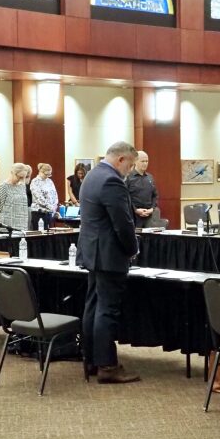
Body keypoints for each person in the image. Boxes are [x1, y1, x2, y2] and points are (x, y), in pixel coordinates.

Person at [77, 141, 141, 384]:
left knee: (93, 306)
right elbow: (123, 223)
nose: (131, 170)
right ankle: (107, 366)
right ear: (121, 160)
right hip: (109, 255)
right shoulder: (112, 181)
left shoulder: (92, 176)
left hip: (92, 253)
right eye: (131, 165)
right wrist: (132, 249)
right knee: (107, 310)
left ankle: (92, 359)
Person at [0, 163, 31, 232]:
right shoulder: (3, 187)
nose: (20, 180)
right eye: (19, 177)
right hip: (6, 227)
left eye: (23, 178)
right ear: (12, 173)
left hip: (22, 227)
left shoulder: (22, 186)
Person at [126, 150, 158, 228]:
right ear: (135, 161)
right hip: (134, 216)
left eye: (147, 161)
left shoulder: (150, 177)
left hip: (148, 216)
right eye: (142, 161)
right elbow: (126, 197)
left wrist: (152, 209)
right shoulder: (128, 177)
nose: (145, 163)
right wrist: (136, 210)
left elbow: (155, 195)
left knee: (149, 238)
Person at [29, 162, 58, 230]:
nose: (47, 176)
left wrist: (55, 206)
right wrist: (50, 207)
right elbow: (39, 197)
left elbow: (55, 194)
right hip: (39, 212)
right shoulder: (35, 181)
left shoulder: (49, 181)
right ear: (40, 172)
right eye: (46, 174)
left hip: (49, 212)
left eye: (49, 174)